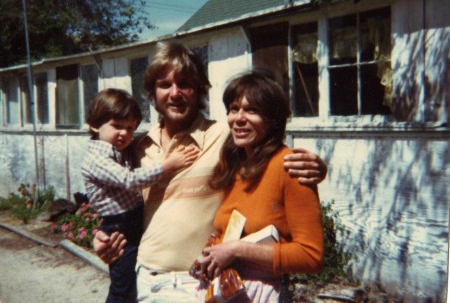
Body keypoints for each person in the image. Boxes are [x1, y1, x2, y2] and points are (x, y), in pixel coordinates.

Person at [93, 41, 328, 302]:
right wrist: (103, 238)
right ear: (151, 93)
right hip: (146, 278)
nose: (175, 93)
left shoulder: (225, 137)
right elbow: (119, 202)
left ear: (199, 91)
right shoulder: (137, 147)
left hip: (197, 282)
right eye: (165, 85)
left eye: (185, 84)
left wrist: (317, 165)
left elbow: (267, 146)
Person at [193, 72, 324, 302]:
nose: (239, 118)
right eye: (234, 109)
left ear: (273, 120)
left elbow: (311, 255)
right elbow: (228, 232)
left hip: (263, 294)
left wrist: (236, 250)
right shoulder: (235, 165)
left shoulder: (290, 167)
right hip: (228, 289)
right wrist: (211, 255)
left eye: (252, 110)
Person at [82, 88, 199, 303]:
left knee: (136, 283)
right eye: (117, 126)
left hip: (135, 222)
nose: (125, 134)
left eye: (131, 128)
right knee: (123, 288)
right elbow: (129, 180)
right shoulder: (95, 158)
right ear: (94, 124)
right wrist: (168, 165)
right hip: (120, 228)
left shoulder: (122, 150)